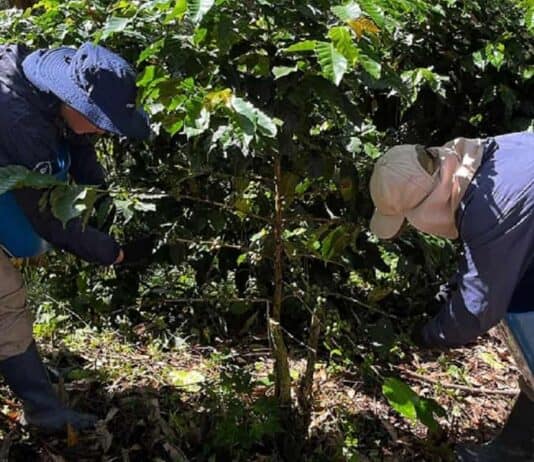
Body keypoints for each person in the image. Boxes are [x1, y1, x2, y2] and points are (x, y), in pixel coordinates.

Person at [0, 42, 155, 432]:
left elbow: (81, 151)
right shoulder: (20, 122)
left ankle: (21, 368)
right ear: (72, 104)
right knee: (5, 296)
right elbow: (47, 217)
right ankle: (43, 411)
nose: (104, 130)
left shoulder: (51, 89)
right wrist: (113, 252)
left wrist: (104, 210)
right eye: (100, 120)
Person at [368, 131, 534, 462]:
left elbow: (478, 309)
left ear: (425, 207)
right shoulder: (486, 161)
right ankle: (516, 447)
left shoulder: (492, 210)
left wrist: (429, 335)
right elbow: (496, 259)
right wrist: (451, 289)